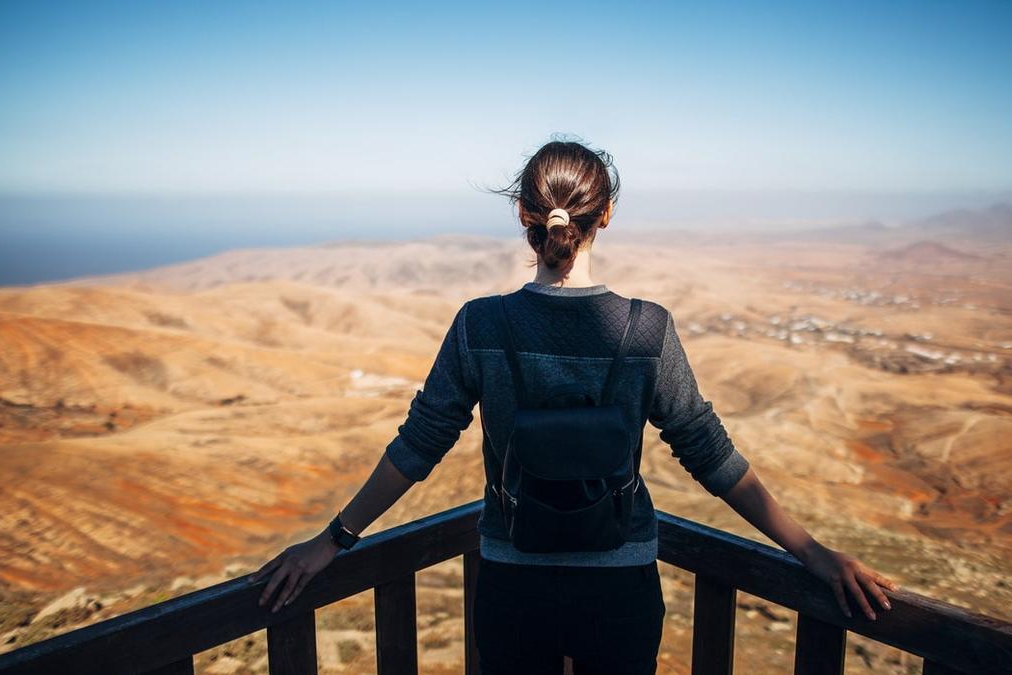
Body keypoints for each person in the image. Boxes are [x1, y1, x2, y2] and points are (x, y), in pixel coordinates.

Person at [247, 136, 899, 674]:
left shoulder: (481, 325)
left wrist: (333, 540)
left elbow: (419, 444)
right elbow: (710, 453)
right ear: (606, 214)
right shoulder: (647, 330)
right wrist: (812, 552)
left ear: (523, 217)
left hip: (512, 582)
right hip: (620, 585)